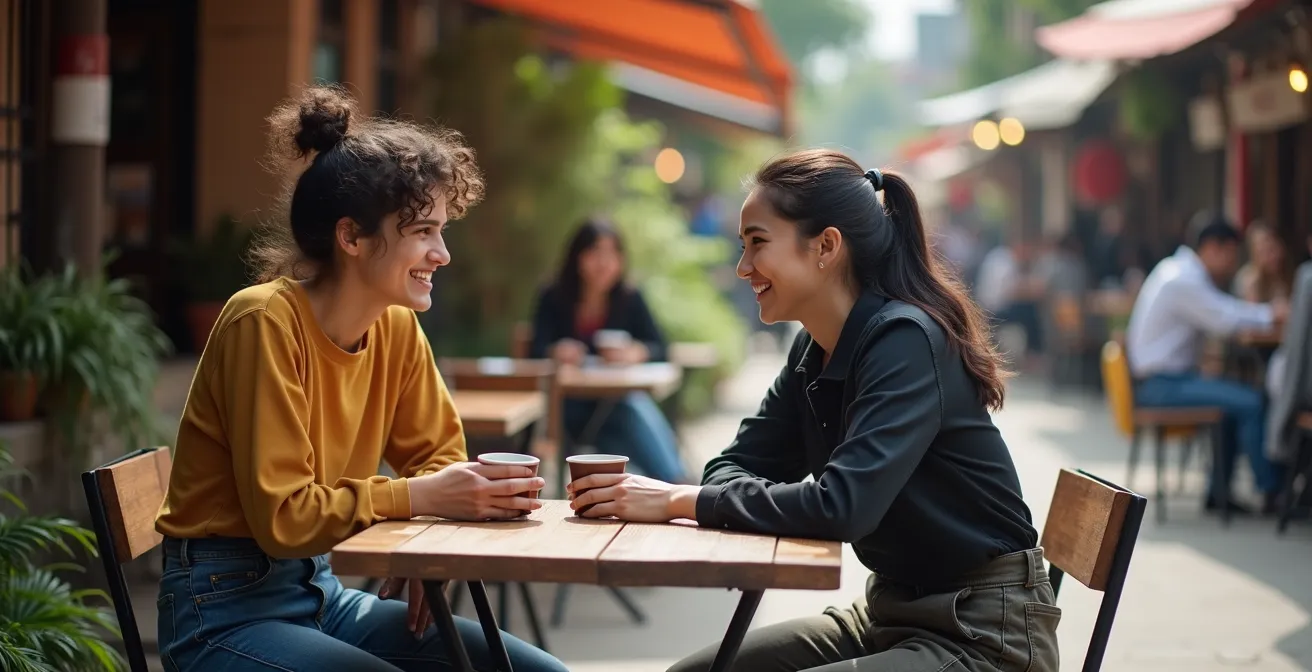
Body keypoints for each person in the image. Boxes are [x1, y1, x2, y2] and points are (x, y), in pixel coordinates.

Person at [566, 149, 1058, 671]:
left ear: (825, 246)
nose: (742, 268)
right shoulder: (812, 350)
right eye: (742, 247)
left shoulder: (905, 341)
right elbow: (730, 467)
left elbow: (841, 507)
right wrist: (715, 496)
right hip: (889, 615)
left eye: (758, 244)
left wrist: (678, 502)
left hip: (981, 633)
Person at [153, 86, 568, 672]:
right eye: (423, 231)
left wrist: (430, 556)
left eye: (441, 230)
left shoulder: (394, 325)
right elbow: (285, 517)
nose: (442, 253)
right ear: (351, 237)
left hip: (324, 598)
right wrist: (417, 498)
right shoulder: (263, 321)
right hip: (223, 611)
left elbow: (437, 455)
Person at [1126, 211, 1288, 515]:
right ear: (1214, 247)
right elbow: (1225, 319)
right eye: (1230, 254)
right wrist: (1272, 314)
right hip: (1161, 386)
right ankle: (1274, 492)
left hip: (1163, 381)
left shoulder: (1176, 269)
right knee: (1251, 401)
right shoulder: (1183, 279)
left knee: (1234, 401)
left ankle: (1219, 492)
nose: (1232, 263)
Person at [528, 218, 690, 484]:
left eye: (612, 253)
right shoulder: (553, 296)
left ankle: (671, 484)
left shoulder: (629, 297)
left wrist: (635, 352)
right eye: (595, 252)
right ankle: (677, 483)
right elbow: (535, 350)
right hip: (568, 408)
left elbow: (661, 347)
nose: (604, 263)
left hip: (612, 407)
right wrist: (557, 351)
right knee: (629, 411)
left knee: (623, 415)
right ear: (577, 257)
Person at [1233, 221, 1293, 303]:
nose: (1273, 256)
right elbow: (1251, 312)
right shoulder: (1248, 280)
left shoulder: (1287, 275)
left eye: (1273, 249)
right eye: (1264, 252)